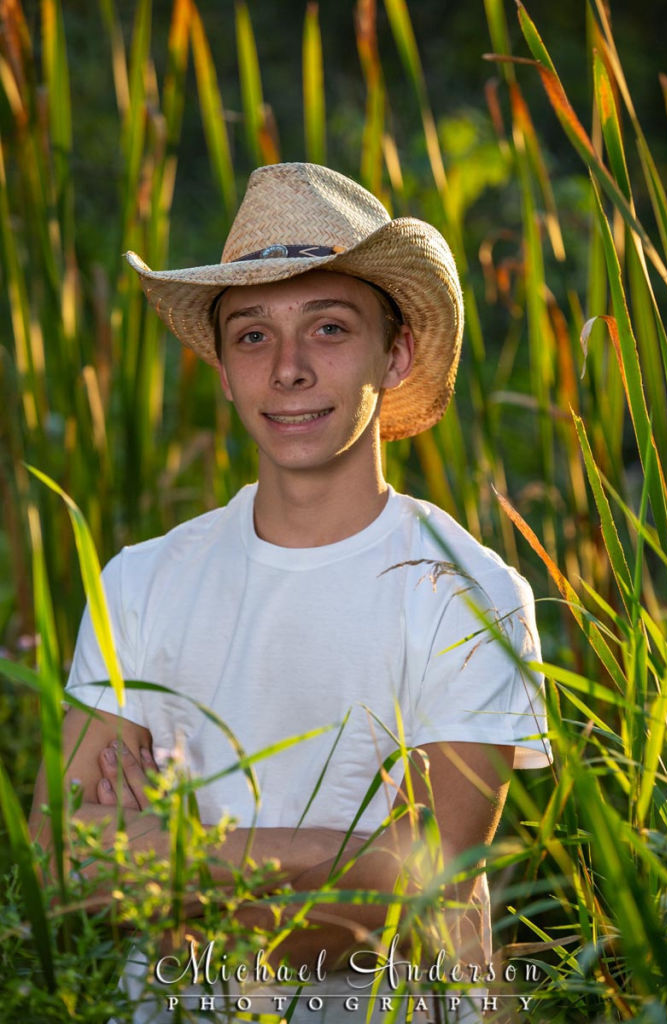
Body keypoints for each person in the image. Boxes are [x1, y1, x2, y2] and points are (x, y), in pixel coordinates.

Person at [30, 163, 551, 1022]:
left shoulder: (465, 592)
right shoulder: (140, 580)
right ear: (224, 370)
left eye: (328, 327)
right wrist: (345, 852)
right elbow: (60, 862)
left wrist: (168, 854)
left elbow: (422, 886)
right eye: (252, 336)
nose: (289, 369)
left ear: (397, 352)